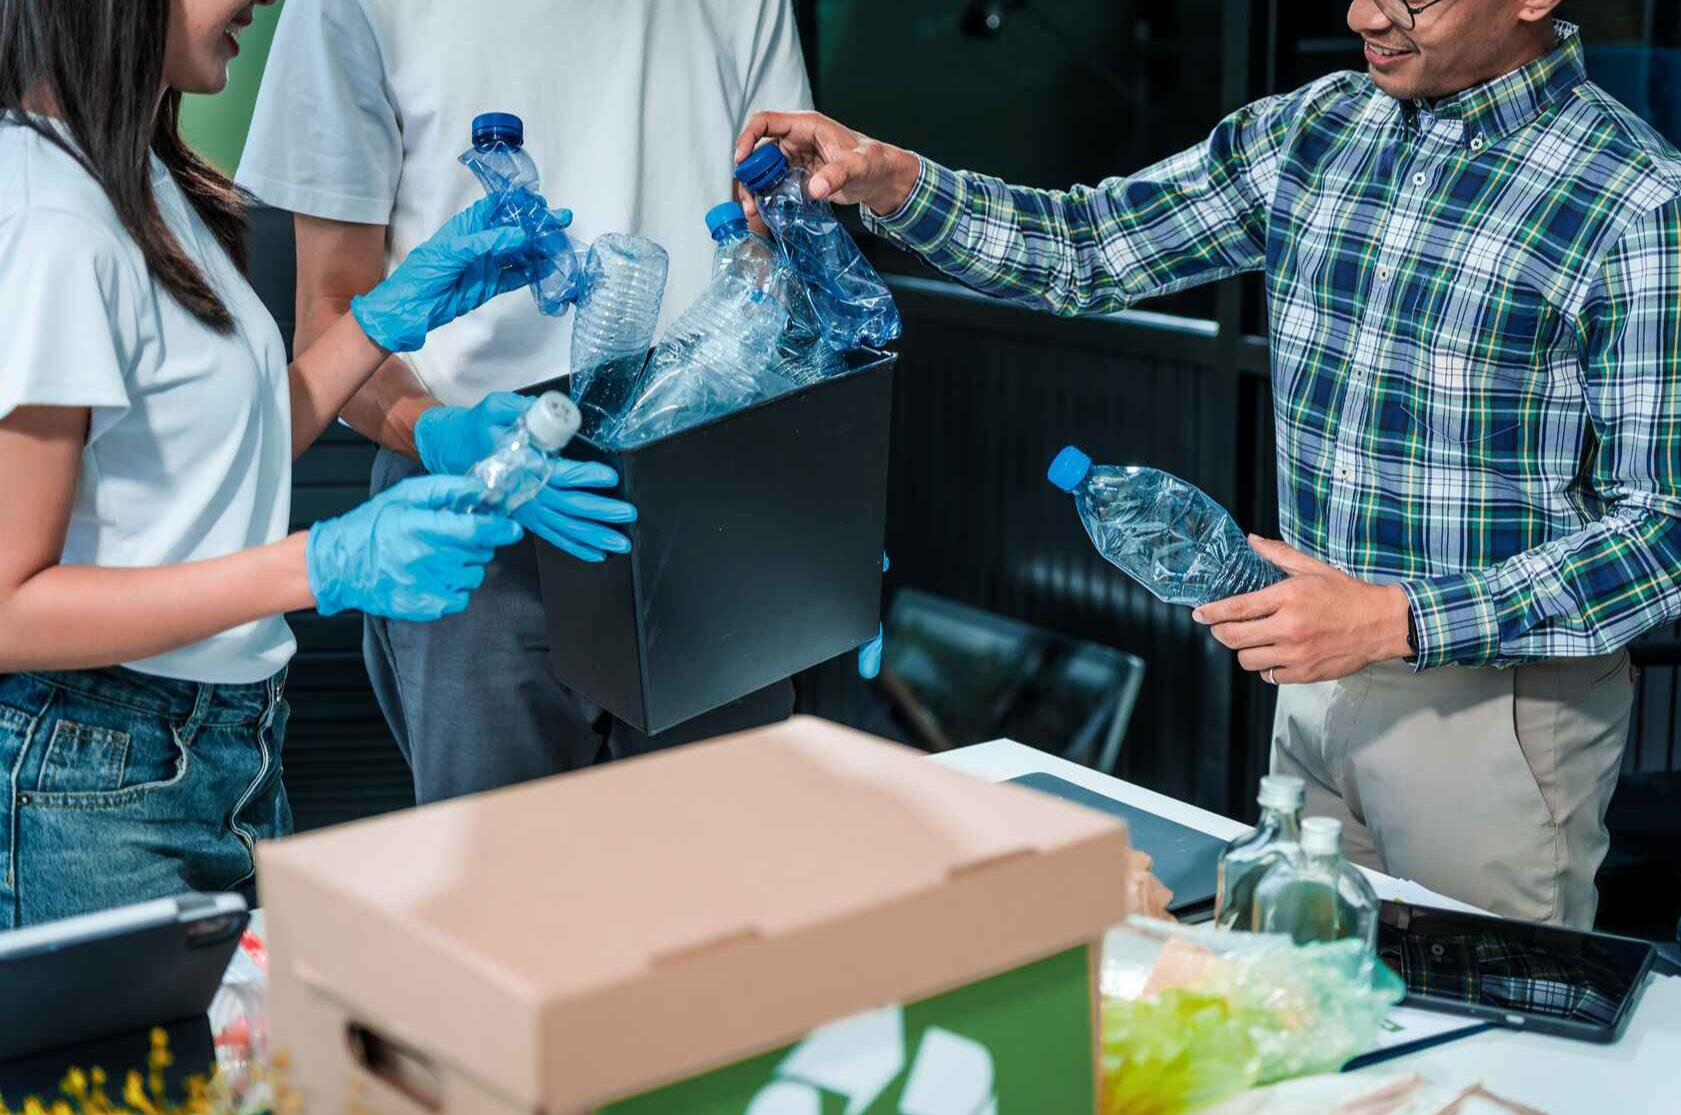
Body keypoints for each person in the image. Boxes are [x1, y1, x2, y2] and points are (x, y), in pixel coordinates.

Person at [737, 0, 1681, 928]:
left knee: (1480, 1019)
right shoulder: (1313, 129)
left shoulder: (1636, 203)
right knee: (1302, 999)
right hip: (1311, 679)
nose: (1363, 14)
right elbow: (1087, 248)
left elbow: (1663, 533)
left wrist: (1394, 620)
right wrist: (891, 180)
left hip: (1494, 716)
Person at [0, 0, 571, 927]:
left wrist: (388, 316)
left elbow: (218, 447)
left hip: (219, 752)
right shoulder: (46, 217)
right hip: (89, 777)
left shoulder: (136, 178)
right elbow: (8, 609)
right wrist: (320, 563)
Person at [235, 0, 818, 803]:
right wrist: (439, 434)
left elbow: (780, 251)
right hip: (479, 505)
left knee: (726, 857)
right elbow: (331, 315)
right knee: (499, 867)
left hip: (706, 493)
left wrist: (814, 500)